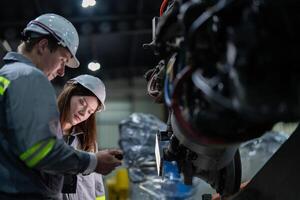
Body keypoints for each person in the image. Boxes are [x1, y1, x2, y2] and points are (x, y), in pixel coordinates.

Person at [0, 13, 122, 200]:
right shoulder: (29, 77)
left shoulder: (7, 75)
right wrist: (94, 161)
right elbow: (40, 151)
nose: (62, 71)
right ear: (42, 46)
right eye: (63, 60)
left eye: (90, 111)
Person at [57, 74, 107, 200]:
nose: (84, 113)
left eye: (90, 111)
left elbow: (97, 186)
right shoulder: (42, 132)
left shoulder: (88, 142)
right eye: (82, 102)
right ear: (68, 95)